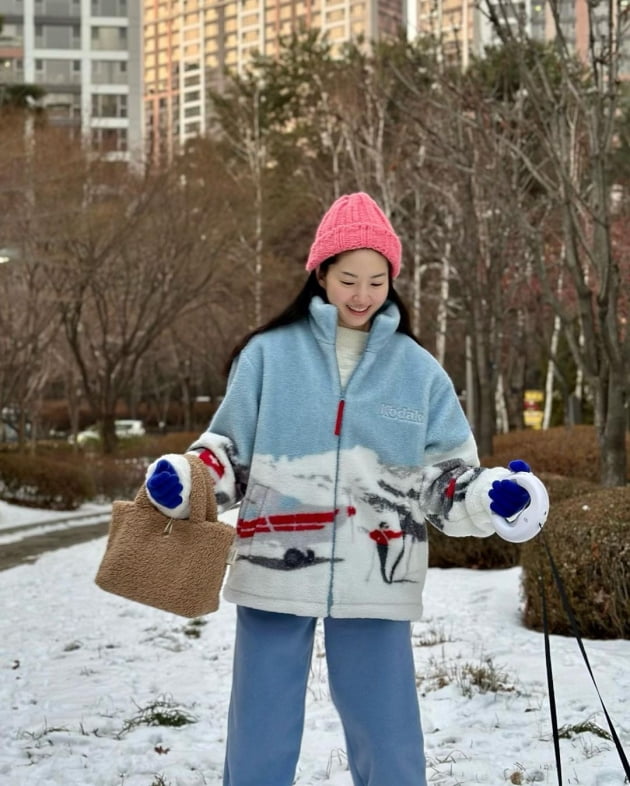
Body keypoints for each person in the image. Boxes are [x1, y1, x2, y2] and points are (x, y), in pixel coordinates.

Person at [144, 192, 545, 786]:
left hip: (379, 570)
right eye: (348, 278)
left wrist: (492, 497)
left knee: (387, 730)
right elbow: (228, 451)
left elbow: (445, 479)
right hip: (274, 566)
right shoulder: (268, 357)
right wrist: (190, 479)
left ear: (392, 280)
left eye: (376, 281)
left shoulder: (418, 372)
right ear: (321, 275)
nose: (362, 295)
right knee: (260, 722)